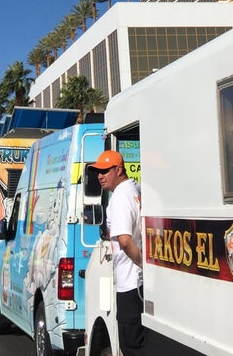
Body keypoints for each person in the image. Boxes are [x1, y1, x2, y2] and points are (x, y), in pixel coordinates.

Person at [90, 150, 144, 356]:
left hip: (130, 284)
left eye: (105, 170)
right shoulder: (135, 189)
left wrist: (144, 265)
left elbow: (124, 241)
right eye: (97, 171)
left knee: (130, 346)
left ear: (119, 169)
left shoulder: (120, 197)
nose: (100, 176)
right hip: (138, 284)